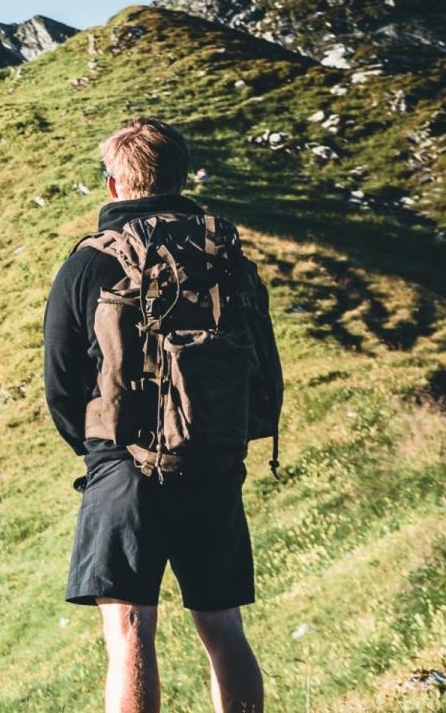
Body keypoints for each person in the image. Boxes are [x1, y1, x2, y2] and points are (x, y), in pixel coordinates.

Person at [44, 118, 281, 713]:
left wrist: (99, 451)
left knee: (129, 631)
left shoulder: (91, 263)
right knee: (222, 627)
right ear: (180, 178)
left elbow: (60, 381)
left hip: (122, 465)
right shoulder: (228, 259)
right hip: (212, 457)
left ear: (113, 184)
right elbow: (264, 367)